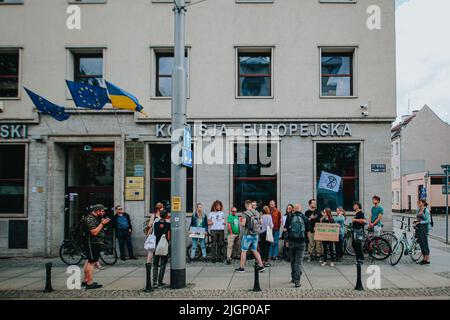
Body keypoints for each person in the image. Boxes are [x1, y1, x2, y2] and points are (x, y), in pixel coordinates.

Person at [82, 204, 110, 290]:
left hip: (93, 243)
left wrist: (102, 222)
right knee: (91, 262)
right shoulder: (90, 218)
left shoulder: (93, 218)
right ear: (97, 211)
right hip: (92, 243)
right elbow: (94, 232)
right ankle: (90, 283)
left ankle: (85, 280)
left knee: (89, 261)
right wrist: (102, 223)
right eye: (102, 211)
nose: (103, 212)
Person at [235, 200, 265, 273]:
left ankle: (242, 268)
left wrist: (240, 220)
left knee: (244, 251)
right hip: (256, 235)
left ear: (246, 205)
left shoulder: (245, 213)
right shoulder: (257, 212)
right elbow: (261, 222)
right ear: (251, 205)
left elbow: (243, 224)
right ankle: (261, 266)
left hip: (248, 235)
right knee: (254, 250)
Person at [284, 203, 309, 288]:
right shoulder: (305, 218)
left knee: (293, 260)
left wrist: (286, 240)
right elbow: (308, 232)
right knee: (298, 262)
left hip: (291, 242)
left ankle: (293, 278)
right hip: (301, 242)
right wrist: (307, 241)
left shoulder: (290, 216)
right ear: (301, 209)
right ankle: (297, 281)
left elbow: (285, 229)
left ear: (294, 209)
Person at [153, 209, 171, 288]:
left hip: (156, 246)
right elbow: (169, 236)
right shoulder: (168, 224)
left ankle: (154, 282)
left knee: (155, 264)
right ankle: (160, 282)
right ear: (166, 215)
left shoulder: (155, 223)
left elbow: (154, 233)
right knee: (163, 264)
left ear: (160, 215)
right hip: (164, 245)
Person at [415, 199, 432, 265]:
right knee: (420, 242)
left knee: (424, 242)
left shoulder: (426, 210)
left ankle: (426, 259)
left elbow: (428, 221)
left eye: (419, 202)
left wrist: (420, 222)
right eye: (418, 202)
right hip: (418, 227)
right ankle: (424, 258)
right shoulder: (418, 210)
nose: (418, 203)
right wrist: (416, 222)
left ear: (423, 203)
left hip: (424, 228)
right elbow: (417, 218)